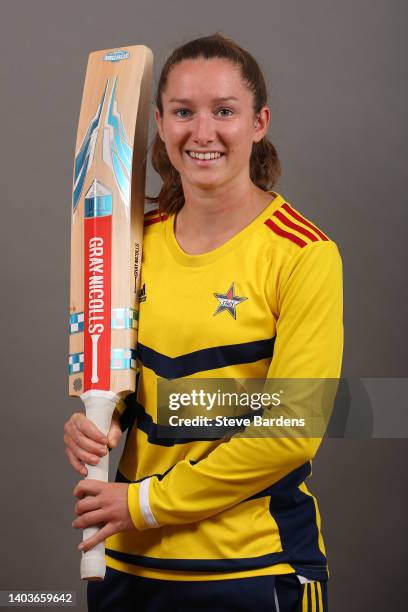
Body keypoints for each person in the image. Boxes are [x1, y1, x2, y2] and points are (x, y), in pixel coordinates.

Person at [64, 33, 343, 611]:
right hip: (127, 565)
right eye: (184, 112)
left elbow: (291, 430)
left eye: (224, 111)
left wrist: (142, 503)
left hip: (255, 567)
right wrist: (102, 417)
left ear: (259, 122)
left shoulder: (303, 254)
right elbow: (129, 374)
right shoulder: (135, 241)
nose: (203, 131)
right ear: (160, 126)